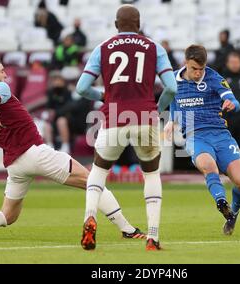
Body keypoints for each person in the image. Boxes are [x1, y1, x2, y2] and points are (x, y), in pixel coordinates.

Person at [0, 56, 146, 241]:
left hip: (15, 165)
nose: (5, 74)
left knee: (8, 215)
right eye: (2, 70)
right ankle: (128, 229)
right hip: (35, 152)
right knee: (93, 180)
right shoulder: (1, 87)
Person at [76, 5, 177, 251]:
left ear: (115, 24)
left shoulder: (102, 48)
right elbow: (172, 88)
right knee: (151, 174)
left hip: (114, 117)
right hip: (145, 116)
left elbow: (81, 87)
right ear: (139, 23)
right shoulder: (155, 48)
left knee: (98, 172)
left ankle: (90, 217)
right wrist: (157, 107)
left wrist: (102, 96)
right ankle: (152, 236)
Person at [164, 45, 240, 236]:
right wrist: (171, 120)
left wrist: (231, 104)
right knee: (208, 165)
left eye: (201, 69)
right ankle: (221, 201)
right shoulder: (173, 81)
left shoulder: (213, 77)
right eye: (194, 68)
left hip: (220, 134)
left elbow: (234, 101)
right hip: (196, 135)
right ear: (186, 63)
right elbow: (173, 102)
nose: (198, 73)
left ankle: (232, 214)